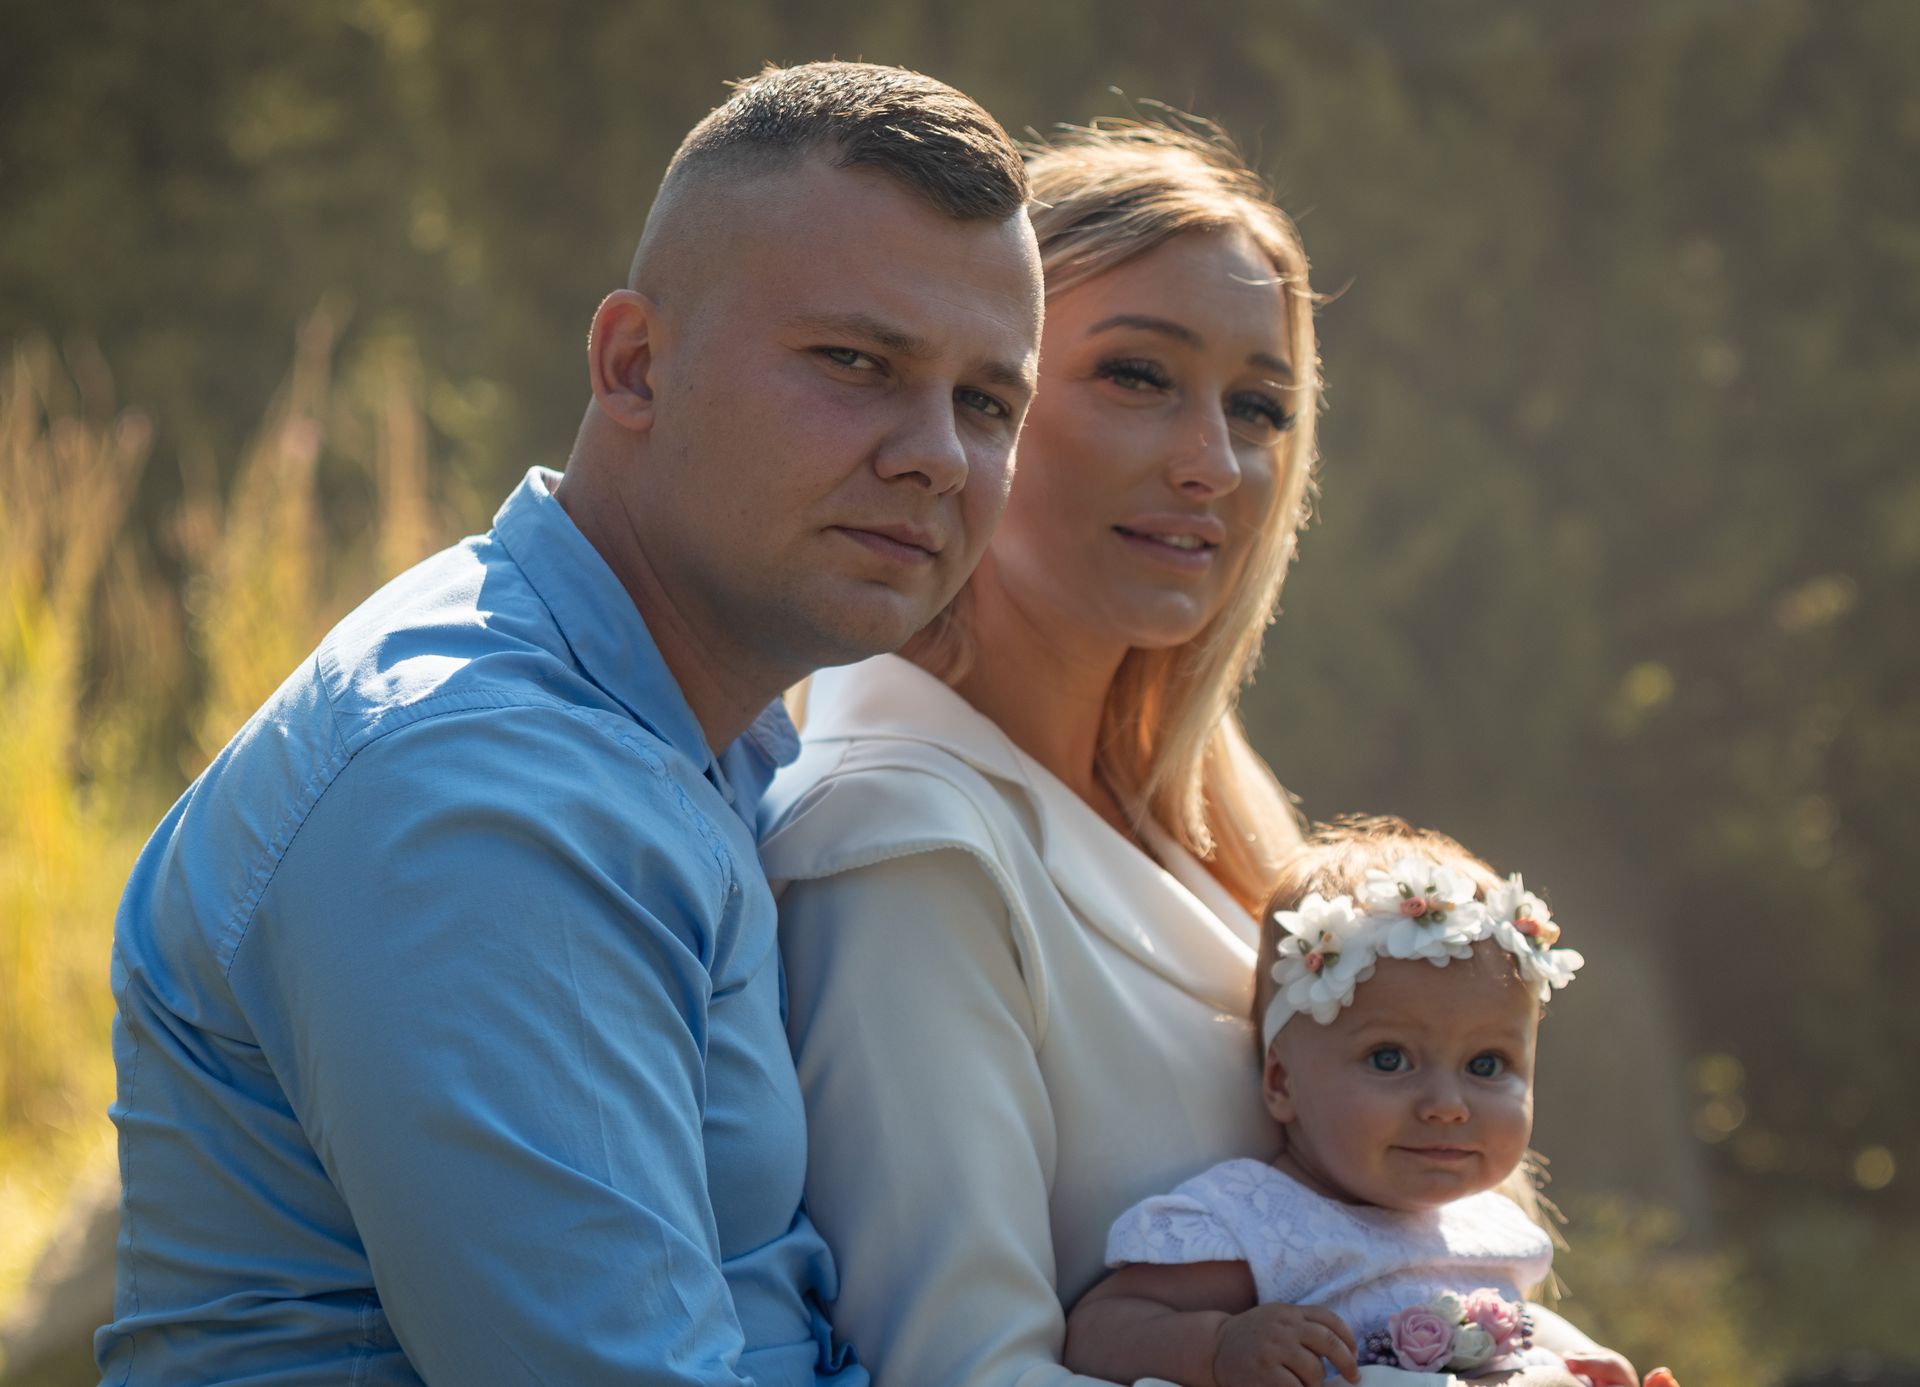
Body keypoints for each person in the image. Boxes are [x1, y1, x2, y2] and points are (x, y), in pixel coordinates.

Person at [96, 61, 1042, 1387]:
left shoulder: (680, 727)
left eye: (987, 402)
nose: (937, 452)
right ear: (634, 365)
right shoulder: (483, 795)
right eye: (856, 362)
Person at [761, 120, 1627, 1387]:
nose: (1213, 463)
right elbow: (961, 1373)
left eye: (1259, 407)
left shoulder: (1206, 815)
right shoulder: (901, 844)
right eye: (1137, 376)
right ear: (983, 400)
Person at [1063, 817, 1633, 1387]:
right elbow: (1098, 1329)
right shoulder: (1264, 1224)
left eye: (1486, 1065)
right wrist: (1218, 1347)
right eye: (1389, 1058)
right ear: (1283, 1082)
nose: (1447, 1105)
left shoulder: (1486, 1225)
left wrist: (1581, 1357)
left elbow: (1519, 1317)